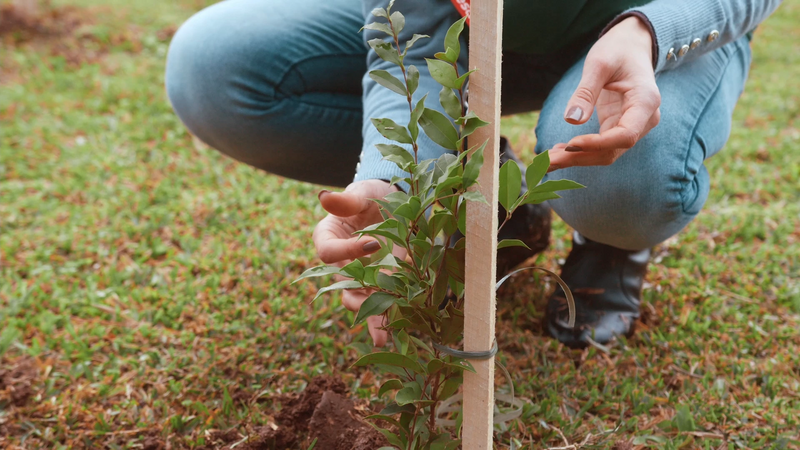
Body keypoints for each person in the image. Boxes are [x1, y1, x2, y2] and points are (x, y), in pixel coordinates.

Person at [164, 0, 781, 348]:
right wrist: (392, 180)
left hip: (647, 26)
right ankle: (493, 193)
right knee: (215, 68)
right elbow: (414, 43)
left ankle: (611, 242)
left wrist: (651, 30)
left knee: (621, 170)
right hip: (469, 26)